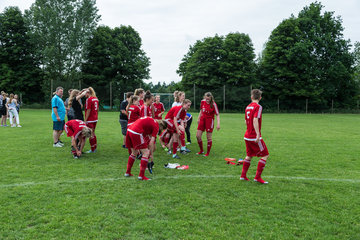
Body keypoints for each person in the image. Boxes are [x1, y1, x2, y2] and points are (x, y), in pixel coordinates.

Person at [240, 89, 269, 184]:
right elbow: (255, 120)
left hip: (247, 135)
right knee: (265, 155)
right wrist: (257, 134)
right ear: (260, 98)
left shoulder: (248, 107)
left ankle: (243, 176)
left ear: (251, 97)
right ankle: (257, 177)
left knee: (249, 155)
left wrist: (250, 129)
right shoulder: (258, 107)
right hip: (253, 136)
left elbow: (245, 121)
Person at [196, 92, 220, 157]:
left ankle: (207, 153)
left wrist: (218, 124)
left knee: (208, 137)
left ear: (211, 98)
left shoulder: (214, 104)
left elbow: (217, 114)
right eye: (206, 99)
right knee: (198, 136)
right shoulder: (202, 102)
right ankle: (201, 150)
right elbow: (201, 110)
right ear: (204, 97)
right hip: (202, 119)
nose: (207, 100)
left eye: (208, 99)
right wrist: (198, 118)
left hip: (209, 121)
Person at [84, 87, 99, 153]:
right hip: (95, 118)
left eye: (85, 93)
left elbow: (88, 110)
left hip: (90, 119)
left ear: (88, 93)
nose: (84, 95)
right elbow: (97, 109)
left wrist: (85, 120)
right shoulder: (96, 99)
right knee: (93, 133)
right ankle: (95, 147)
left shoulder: (89, 99)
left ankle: (93, 149)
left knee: (90, 134)